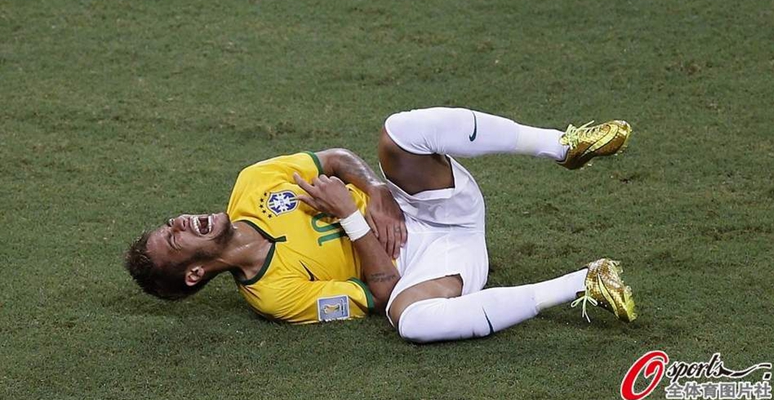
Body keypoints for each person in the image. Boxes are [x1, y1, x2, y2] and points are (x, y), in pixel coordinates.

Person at [125, 107, 636, 343]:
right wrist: (352, 219)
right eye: (174, 236)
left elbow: (336, 157)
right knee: (410, 321)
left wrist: (373, 192)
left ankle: (562, 146)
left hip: (431, 206)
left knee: (399, 131)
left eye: (170, 223)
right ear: (194, 273)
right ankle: (583, 282)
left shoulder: (252, 183)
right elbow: (383, 293)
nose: (180, 221)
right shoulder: (276, 297)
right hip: (442, 265)